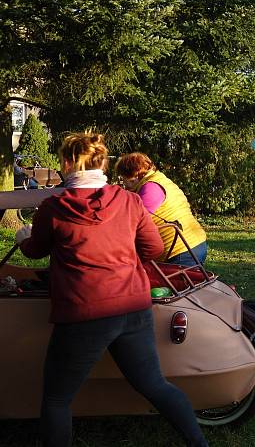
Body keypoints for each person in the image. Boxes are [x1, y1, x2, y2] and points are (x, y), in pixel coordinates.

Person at [15, 132, 207, 447]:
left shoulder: (54, 207)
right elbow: (154, 247)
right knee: (154, 385)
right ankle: (198, 443)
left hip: (83, 313)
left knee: (57, 399)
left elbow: (35, 251)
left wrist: (23, 237)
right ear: (103, 163)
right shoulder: (130, 201)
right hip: (132, 307)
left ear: (66, 164)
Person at [115, 152, 207, 266]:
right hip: (193, 244)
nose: (123, 183)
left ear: (134, 174)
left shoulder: (150, 188)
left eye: (124, 178)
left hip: (180, 251)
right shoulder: (159, 180)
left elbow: (133, 221)